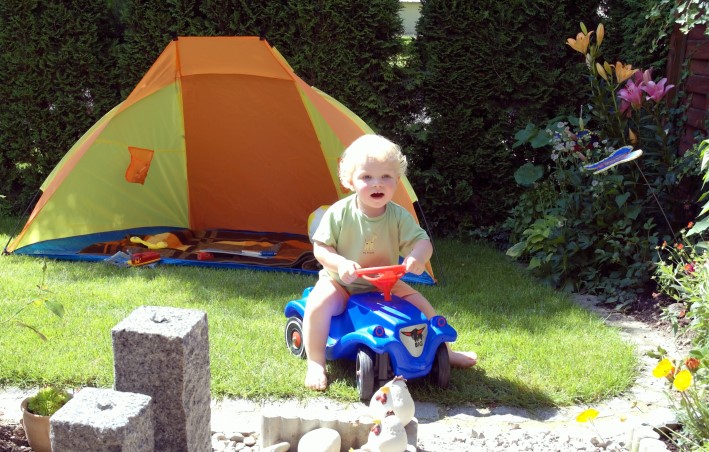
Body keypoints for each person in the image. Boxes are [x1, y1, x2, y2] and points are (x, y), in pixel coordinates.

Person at [303, 134, 477, 391]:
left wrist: (417, 257)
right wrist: (340, 264)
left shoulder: (398, 216)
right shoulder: (340, 213)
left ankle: (445, 351)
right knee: (318, 304)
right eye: (367, 177)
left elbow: (423, 242)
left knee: (424, 306)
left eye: (386, 176)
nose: (377, 183)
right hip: (342, 283)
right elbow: (321, 248)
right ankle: (316, 362)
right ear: (350, 181)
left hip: (386, 283)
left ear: (397, 180)